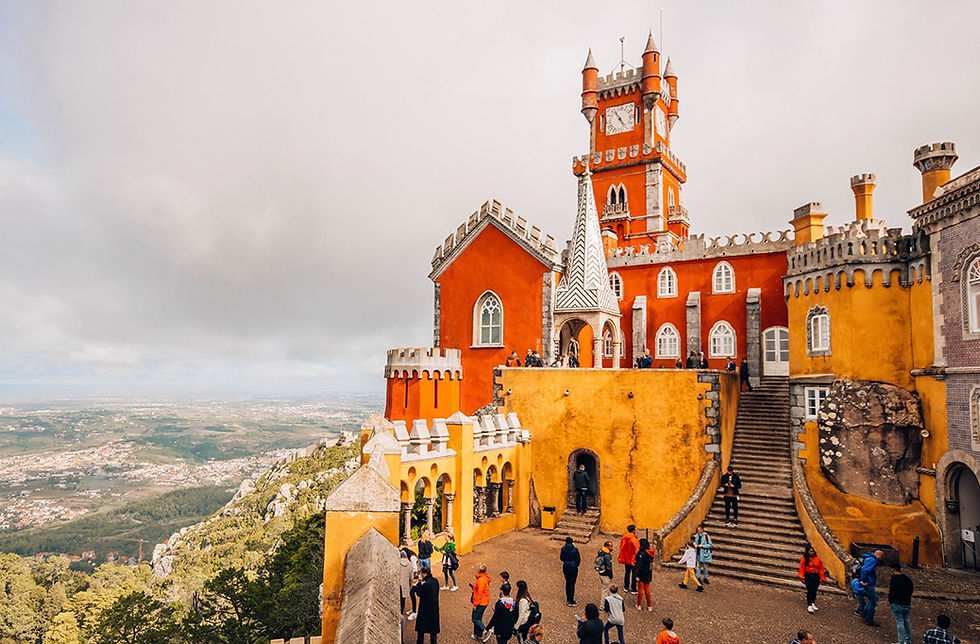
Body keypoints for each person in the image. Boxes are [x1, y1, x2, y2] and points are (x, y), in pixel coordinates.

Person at [887, 563, 914, 644]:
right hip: (906, 603)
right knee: (907, 621)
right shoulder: (907, 579)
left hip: (897, 603)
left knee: (900, 622)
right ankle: (908, 640)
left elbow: (892, 591)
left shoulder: (894, 579)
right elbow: (911, 589)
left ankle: (901, 641)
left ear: (893, 569)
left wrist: (890, 600)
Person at [797, 544, 828, 613]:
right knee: (810, 590)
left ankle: (812, 602)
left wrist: (822, 578)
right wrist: (802, 577)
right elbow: (802, 568)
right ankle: (809, 604)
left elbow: (821, 569)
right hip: (808, 575)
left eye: (813, 551)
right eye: (810, 551)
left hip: (816, 576)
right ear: (807, 552)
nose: (812, 553)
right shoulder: (804, 559)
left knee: (814, 590)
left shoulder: (818, 559)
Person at [413, 566, 440, 644]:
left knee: (421, 631)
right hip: (434, 609)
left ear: (424, 574)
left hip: (424, 609)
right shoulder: (435, 581)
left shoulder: (426, 584)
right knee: (433, 632)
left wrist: (418, 584)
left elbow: (419, 593)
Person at [858, 549, 884, 626]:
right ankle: (868, 618)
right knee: (873, 600)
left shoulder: (868, 558)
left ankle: (865, 614)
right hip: (868, 582)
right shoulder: (873, 560)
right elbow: (865, 570)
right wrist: (864, 580)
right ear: (879, 556)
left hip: (868, 581)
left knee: (873, 599)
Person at [471, 563, 493, 641]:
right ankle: (478, 634)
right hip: (483, 601)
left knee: (475, 618)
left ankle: (485, 630)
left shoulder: (481, 580)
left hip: (480, 602)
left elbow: (479, 593)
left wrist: (475, 604)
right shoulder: (484, 578)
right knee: (478, 618)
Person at [633, 538, 655, 611]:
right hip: (648, 572)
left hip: (642, 573)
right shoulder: (650, 552)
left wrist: (637, 575)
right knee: (647, 589)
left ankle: (639, 605)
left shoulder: (642, 553)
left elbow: (639, 565)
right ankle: (649, 606)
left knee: (640, 590)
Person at [617, 525, 639, 593]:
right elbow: (637, 550)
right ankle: (633, 588)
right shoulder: (634, 539)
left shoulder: (624, 538)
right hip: (633, 559)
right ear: (633, 530)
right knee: (634, 574)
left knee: (627, 573)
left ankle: (626, 587)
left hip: (626, 558)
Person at [560, 536, 581, 606]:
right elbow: (578, 559)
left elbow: (561, 558)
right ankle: (571, 600)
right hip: (573, 567)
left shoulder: (563, 549)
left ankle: (568, 598)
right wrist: (576, 564)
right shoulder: (575, 550)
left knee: (568, 582)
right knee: (572, 583)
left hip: (566, 566)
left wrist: (566, 562)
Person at [400, 549, 415, 616]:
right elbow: (411, 578)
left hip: (398, 585)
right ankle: (401, 614)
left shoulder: (397, 563)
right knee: (403, 601)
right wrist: (410, 586)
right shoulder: (410, 564)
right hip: (405, 585)